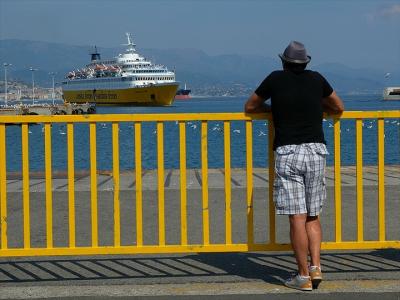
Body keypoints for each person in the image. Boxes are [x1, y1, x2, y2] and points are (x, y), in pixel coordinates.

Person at [244, 41, 344, 291]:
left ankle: (302, 276)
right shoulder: (317, 79)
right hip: (315, 151)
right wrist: (318, 107)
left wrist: (273, 109)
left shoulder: (275, 79)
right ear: (306, 62)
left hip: (289, 152)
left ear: (283, 62)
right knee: (313, 215)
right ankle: (316, 267)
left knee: (296, 217)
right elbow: (338, 106)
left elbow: (250, 106)